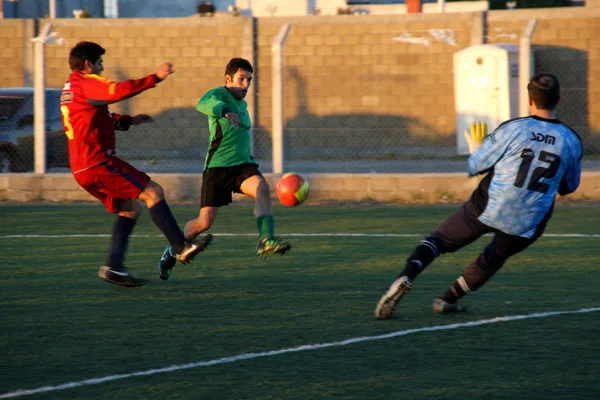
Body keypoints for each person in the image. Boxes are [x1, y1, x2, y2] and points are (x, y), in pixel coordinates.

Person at [375, 73, 583, 319]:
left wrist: (477, 149)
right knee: (492, 258)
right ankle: (447, 300)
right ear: (558, 99)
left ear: (530, 100)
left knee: (437, 241)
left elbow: (476, 165)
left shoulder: (513, 128)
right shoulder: (571, 140)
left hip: (488, 206)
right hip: (527, 220)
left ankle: (406, 276)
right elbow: (568, 187)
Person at [60, 41, 212, 287]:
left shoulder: (70, 88)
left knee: (130, 209)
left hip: (82, 168)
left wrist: (130, 120)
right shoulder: (87, 82)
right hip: (98, 162)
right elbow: (119, 90)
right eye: (99, 63)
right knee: (154, 192)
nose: (102, 68)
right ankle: (181, 247)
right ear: (88, 64)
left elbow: (96, 116)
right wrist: (155, 77)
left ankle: (114, 267)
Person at [157, 57, 290, 281]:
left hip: (242, 167)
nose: (245, 85)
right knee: (204, 222)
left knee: (262, 189)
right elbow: (203, 104)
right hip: (217, 169)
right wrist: (225, 110)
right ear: (228, 79)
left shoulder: (244, 106)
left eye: (249, 80)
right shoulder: (219, 94)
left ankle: (266, 240)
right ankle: (172, 250)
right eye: (241, 79)